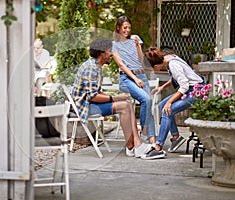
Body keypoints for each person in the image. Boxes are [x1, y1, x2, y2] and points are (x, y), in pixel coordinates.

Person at [70, 37, 151, 158]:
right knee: (124, 106)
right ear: (101, 53)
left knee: (127, 103)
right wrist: (116, 98)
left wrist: (118, 97)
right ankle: (132, 146)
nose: (112, 54)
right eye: (109, 51)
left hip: (91, 104)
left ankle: (136, 144)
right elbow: (93, 97)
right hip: (85, 107)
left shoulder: (96, 66)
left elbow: (96, 93)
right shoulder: (91, 68)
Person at [141, 47, 204, 160]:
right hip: (190, 89)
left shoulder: (173, 65)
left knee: (166, 110)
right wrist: (162, 87)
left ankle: (158, 147)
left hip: (195, 92)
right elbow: (177, 77)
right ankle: (176, 137)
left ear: (156, 66)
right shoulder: (170, 57)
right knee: (161, 106)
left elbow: (184, 85)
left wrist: (169, 102)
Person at [111, 16, 156, 144]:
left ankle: (153, 142)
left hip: (141, 75)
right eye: (125, 27)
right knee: (146, 99)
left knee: (148, 107)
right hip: (127, 78)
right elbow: (121, 65)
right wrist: (135, 79)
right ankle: (144, 129)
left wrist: (138, 47)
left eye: (129, 28)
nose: (127, 30)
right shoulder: (114, 45)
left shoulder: (135, 38)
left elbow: (140, 60)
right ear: (118, 28)